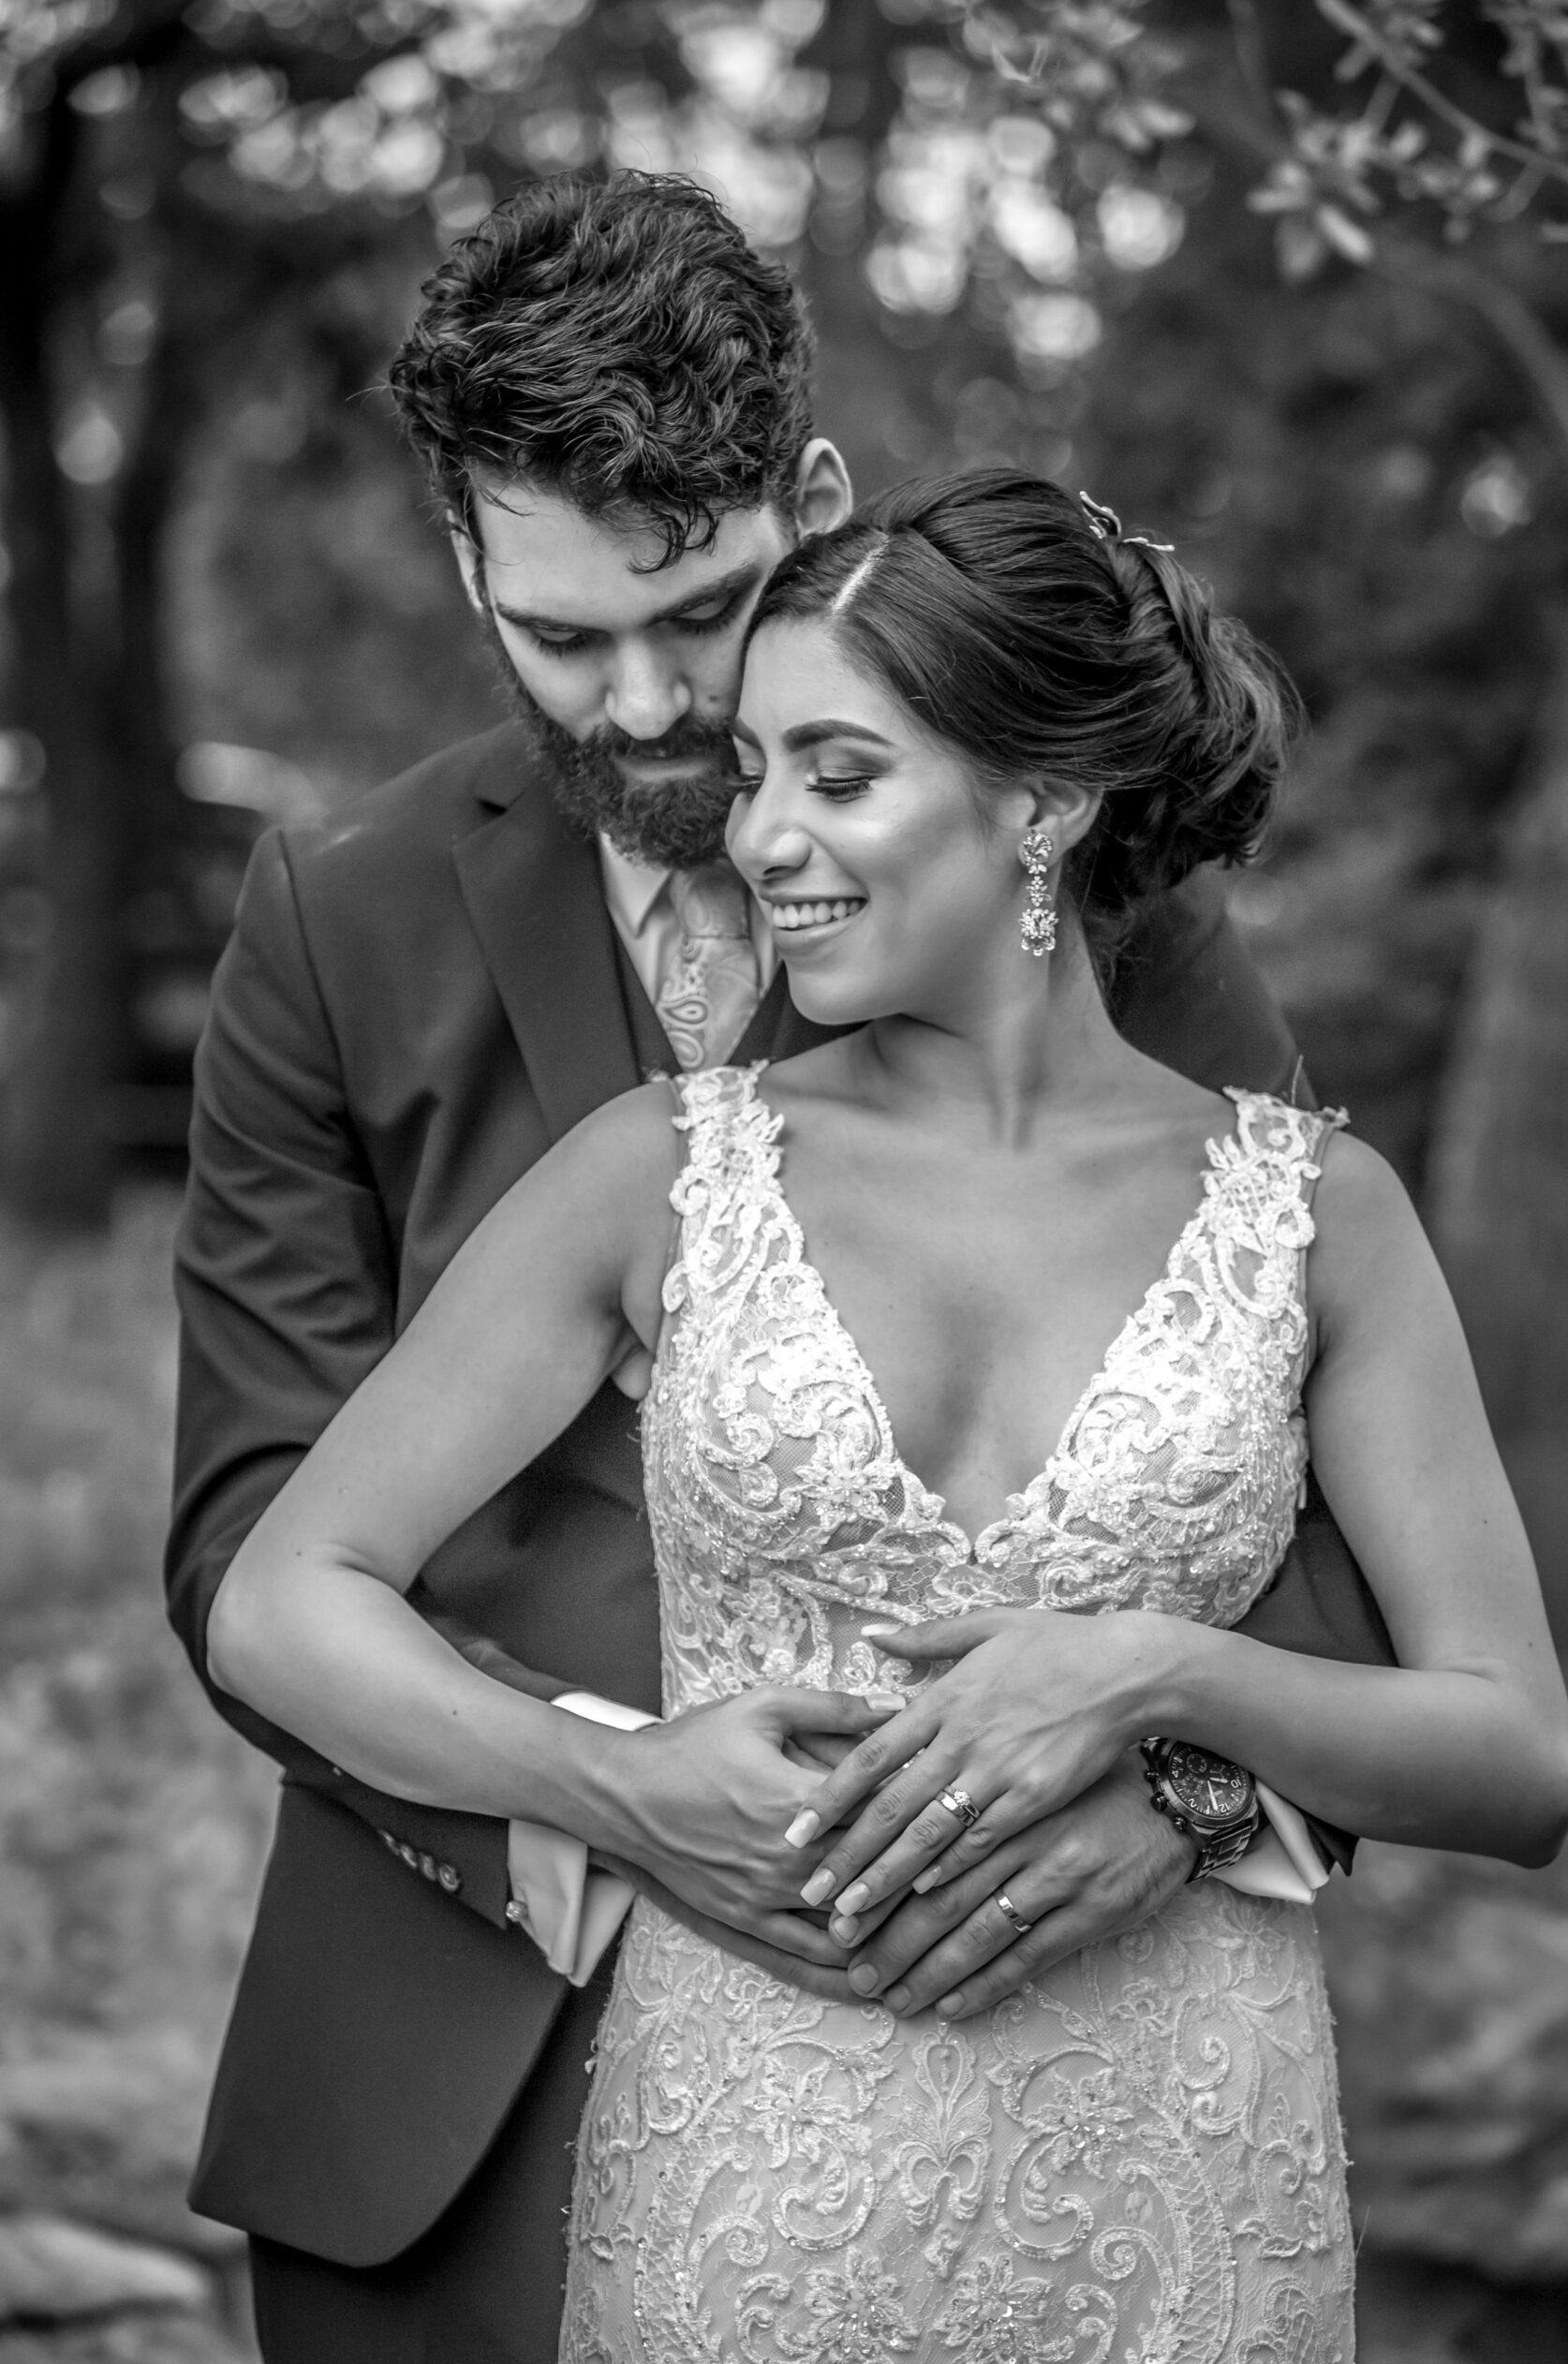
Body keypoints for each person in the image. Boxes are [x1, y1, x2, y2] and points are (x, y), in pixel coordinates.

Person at [169, 173, 1389, 2361]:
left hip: (1032, 2052)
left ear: (808, 501)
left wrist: (1200, 1788)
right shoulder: (335, 915)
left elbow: (1305, 1417)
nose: (644, 713)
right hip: (443, 2051)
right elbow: (249, 1535)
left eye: (701, 612)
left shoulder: (1083, 892)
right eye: (558, 637)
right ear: (465, 559)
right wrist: (612, 1784)